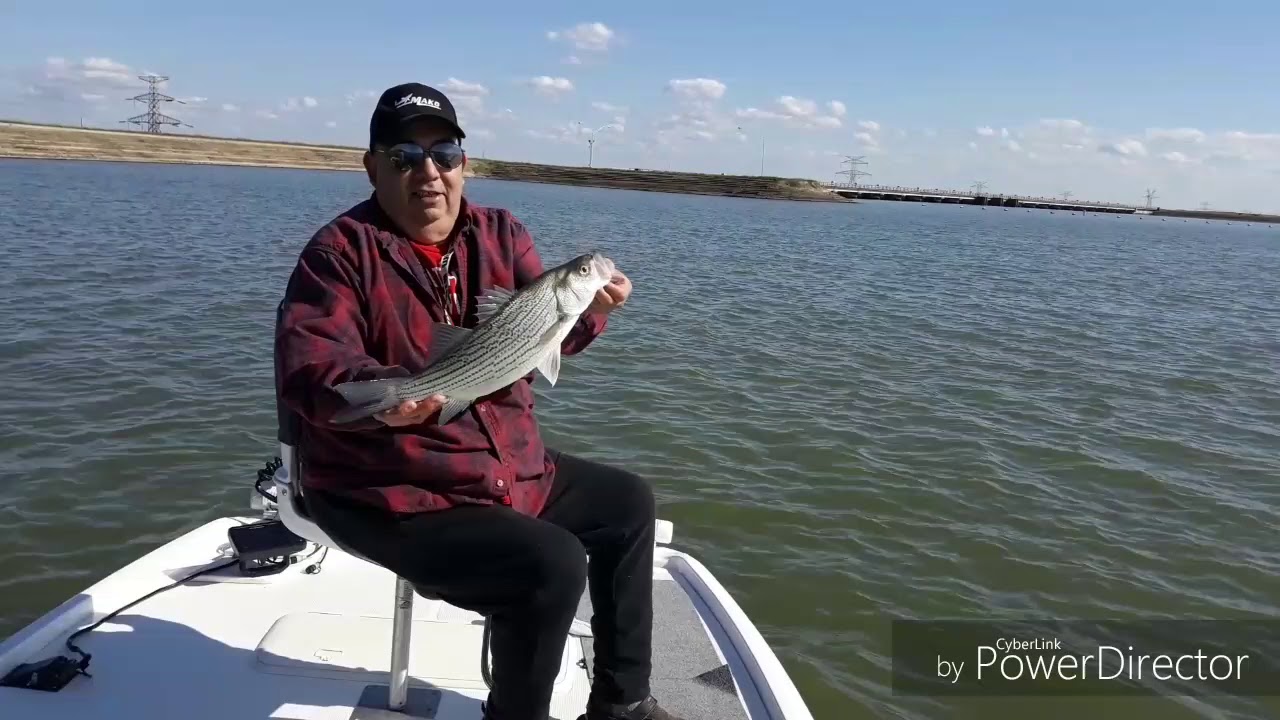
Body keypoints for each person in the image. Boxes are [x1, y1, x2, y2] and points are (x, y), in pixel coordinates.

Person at [273, 82, 686, 720]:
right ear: (373, 166)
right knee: (550, 562)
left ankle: (622, 705)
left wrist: (593, 312)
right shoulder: (336, 254)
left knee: (628, 503)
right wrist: (388, 396)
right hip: (391, 487)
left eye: (446, 154)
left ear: (465, 162)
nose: (429, 173)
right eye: (405, 156)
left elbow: (552, 340)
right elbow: (312, 369)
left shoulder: (501, 231)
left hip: (504, 465)